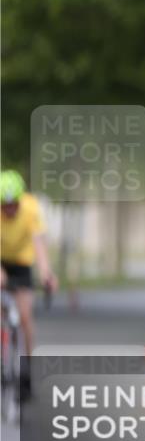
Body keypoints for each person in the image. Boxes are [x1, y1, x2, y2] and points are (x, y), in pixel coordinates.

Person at [1, 169, 58, 397]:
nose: (9, 210)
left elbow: (39, 244)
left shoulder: (31, 208)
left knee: (25, 316)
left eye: (13, 204)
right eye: (4, 206)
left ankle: (26, 368)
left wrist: (46, 272)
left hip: (22, 262)